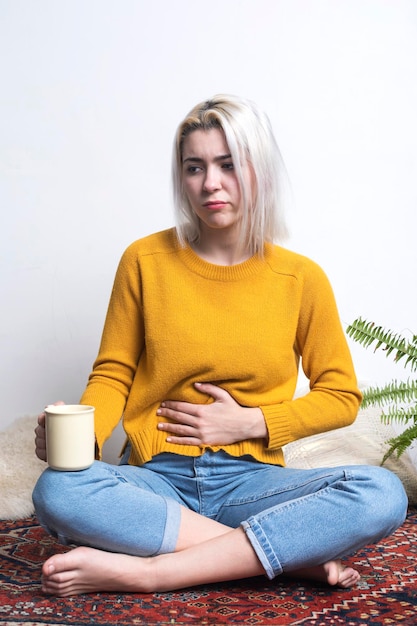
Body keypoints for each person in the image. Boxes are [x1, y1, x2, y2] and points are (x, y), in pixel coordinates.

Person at [33, 94, 407, 597]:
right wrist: (80, 442)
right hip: (155, 480)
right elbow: (113, 374)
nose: (211, 182)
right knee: (57, 488)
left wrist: (252, 422)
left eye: (228, 165)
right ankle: (283, 558)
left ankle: (150, 571)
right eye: (195, 167)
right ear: (181, 177)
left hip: (251, 485)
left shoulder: (300, 278)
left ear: (260, 172)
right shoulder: (144, 260)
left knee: (381, 492)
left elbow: (341, 395)